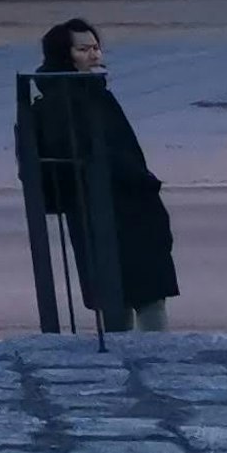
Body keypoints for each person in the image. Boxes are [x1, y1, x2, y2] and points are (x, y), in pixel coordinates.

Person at [33, 19, 177, 333]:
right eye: (83, 49)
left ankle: (134, 361)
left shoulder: (87, 91)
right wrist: (144, 182)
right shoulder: (67, 99)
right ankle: (157, 362)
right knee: (141, 296)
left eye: (96, 47)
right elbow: (90, 154)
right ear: (64, 55)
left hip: (123, 208)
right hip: (108, 211)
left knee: (124, 297)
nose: (95, 55)